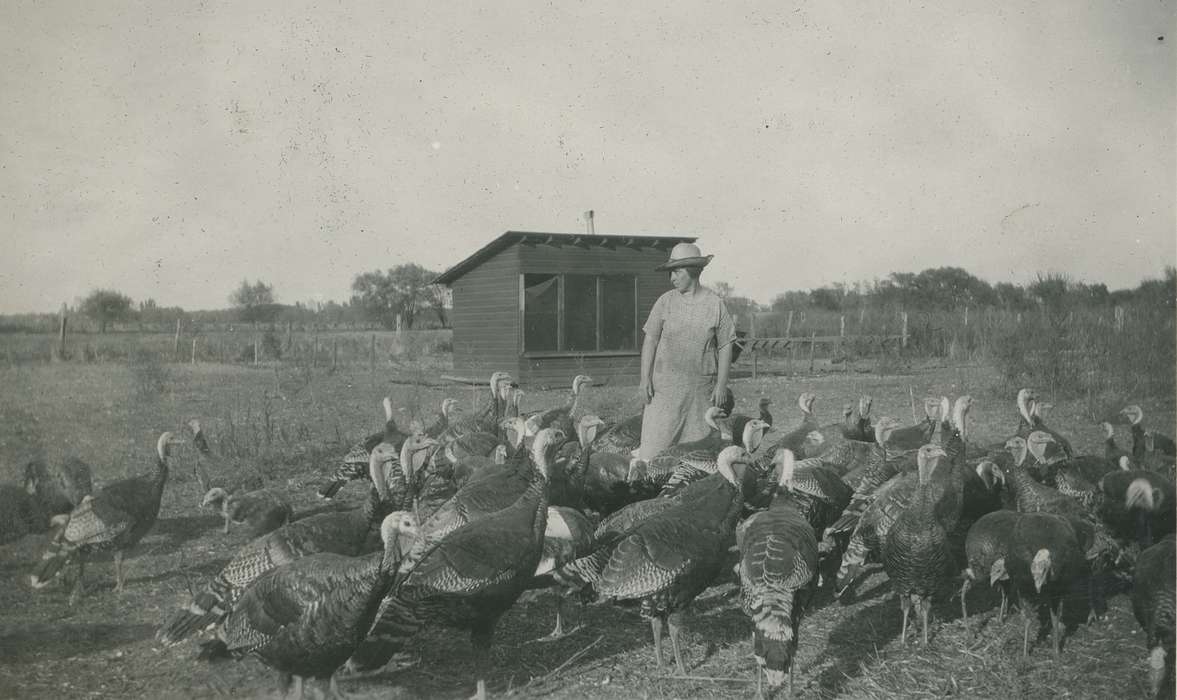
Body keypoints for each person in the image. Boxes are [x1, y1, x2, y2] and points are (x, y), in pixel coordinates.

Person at [637, 242, 736, 461]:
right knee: (653, 451)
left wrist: (721, 384)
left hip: (699, 391)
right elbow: (650, 339)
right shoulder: (665, 302)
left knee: (696, 453)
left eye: (677, 271)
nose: (671, 277)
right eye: (671, 272)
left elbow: (726, 344)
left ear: (692, 271)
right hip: (665, 390)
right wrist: (645, 379)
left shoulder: (715, 304)